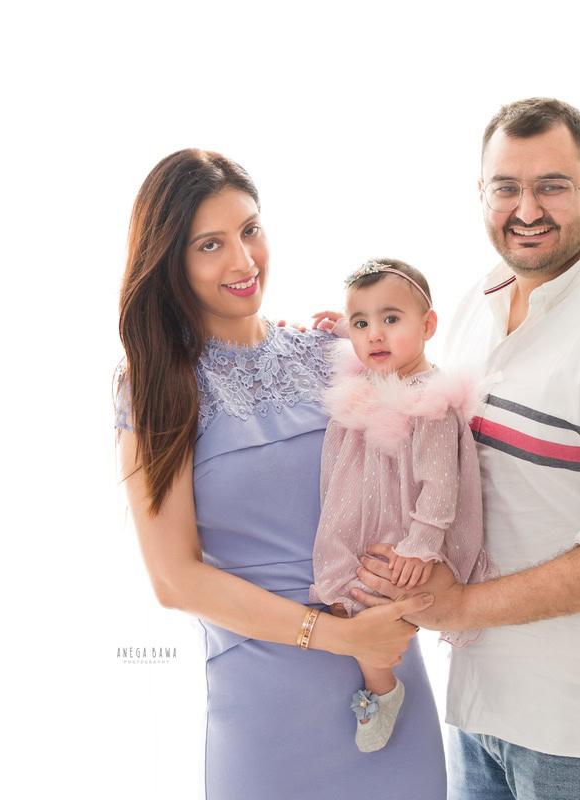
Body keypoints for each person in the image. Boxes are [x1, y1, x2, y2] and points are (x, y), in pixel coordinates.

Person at [349, 98, 580, 799]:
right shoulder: (480, 297)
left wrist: (454, 609)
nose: (526, 208)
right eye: (506, 187)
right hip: (480, 702)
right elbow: (435, 440)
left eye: (553, 186)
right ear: (481, 194)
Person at [114, 149, 447, 799]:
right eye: (210, 244)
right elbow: (173, 579)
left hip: (386, 681)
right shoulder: (156, 387)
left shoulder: (334, 355)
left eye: (250, 229)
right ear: (171, 261)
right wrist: (340, 635)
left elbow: (434, 457)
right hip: (270, 710)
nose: (243, 261)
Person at [308, 258, 498, 753]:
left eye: (391, 320)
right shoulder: (372, 374)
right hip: (364, 509)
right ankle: (378, 678)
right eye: (362, 323)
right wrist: (339, 328)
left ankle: (382, 689)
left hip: (406, 526)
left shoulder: (427, 401)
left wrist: (421, 544)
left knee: (371, 595)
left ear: (427, 325)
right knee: (343, 588)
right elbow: (359, 343)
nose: (375, 335)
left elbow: (439, 485)